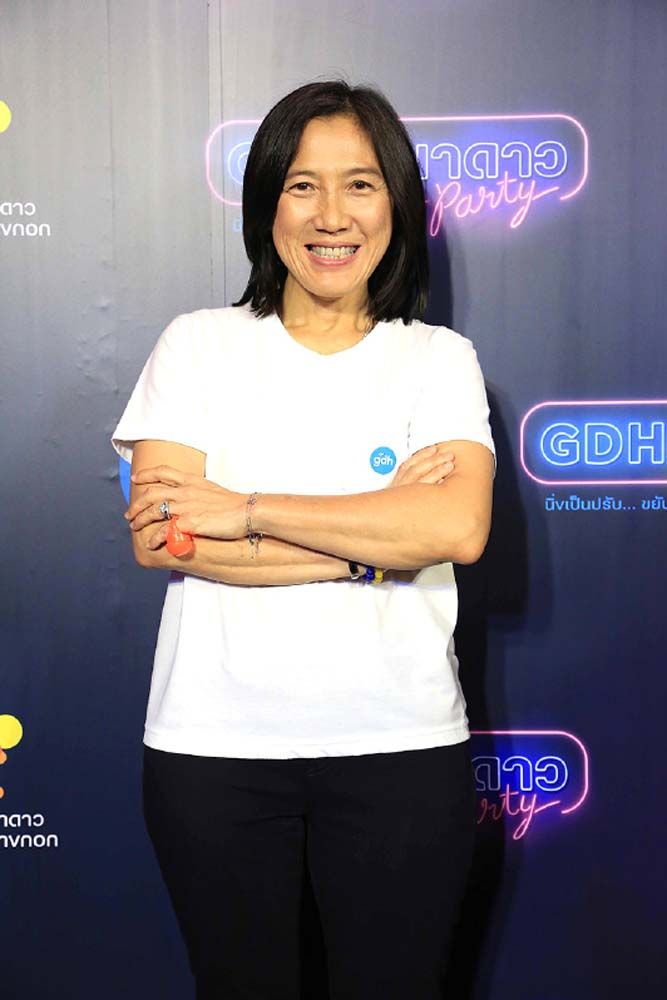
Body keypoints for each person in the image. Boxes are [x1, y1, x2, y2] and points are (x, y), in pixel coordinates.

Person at [112, 79, 495, 1000]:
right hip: (213, 753)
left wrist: (244, 509)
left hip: (401, 749)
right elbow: (164, 537)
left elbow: (454, 528)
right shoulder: (196, 345)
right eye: (301, 185)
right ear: (266, 205)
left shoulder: (437, 359)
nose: (331, 215)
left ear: (395, 204)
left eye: (359, 184)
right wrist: (378, 537)